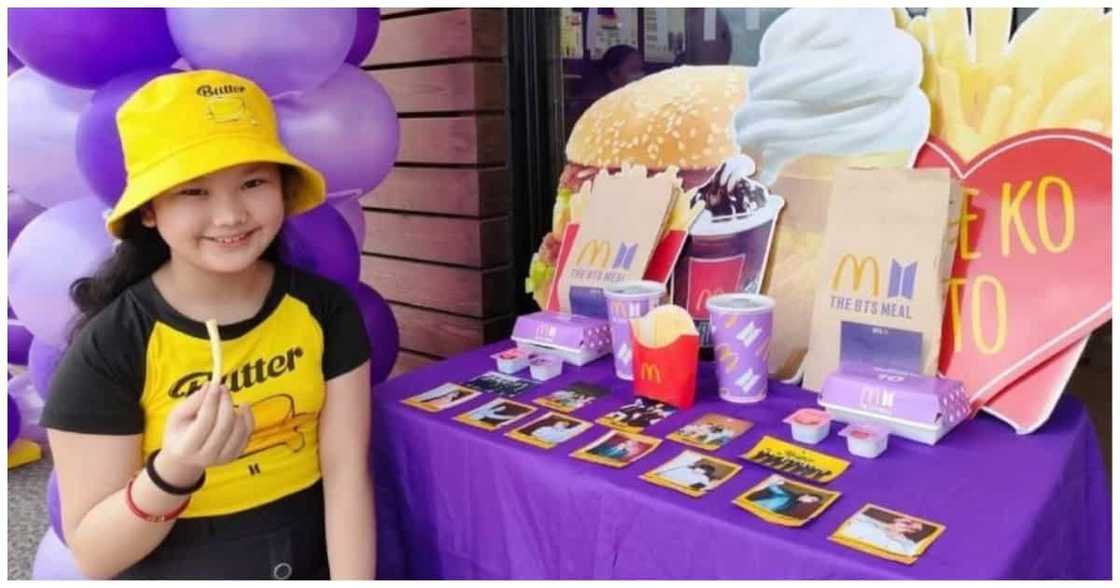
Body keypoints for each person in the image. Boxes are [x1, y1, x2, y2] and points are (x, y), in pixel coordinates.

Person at [40, 70, 374, 580]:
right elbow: (95, 555)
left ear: (282, 189)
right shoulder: (109, 350)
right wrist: (174, 469)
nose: (229, 215)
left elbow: (347, 475)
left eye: (253, 182)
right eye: (194, 192)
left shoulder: (325, 312)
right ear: (150, 211)